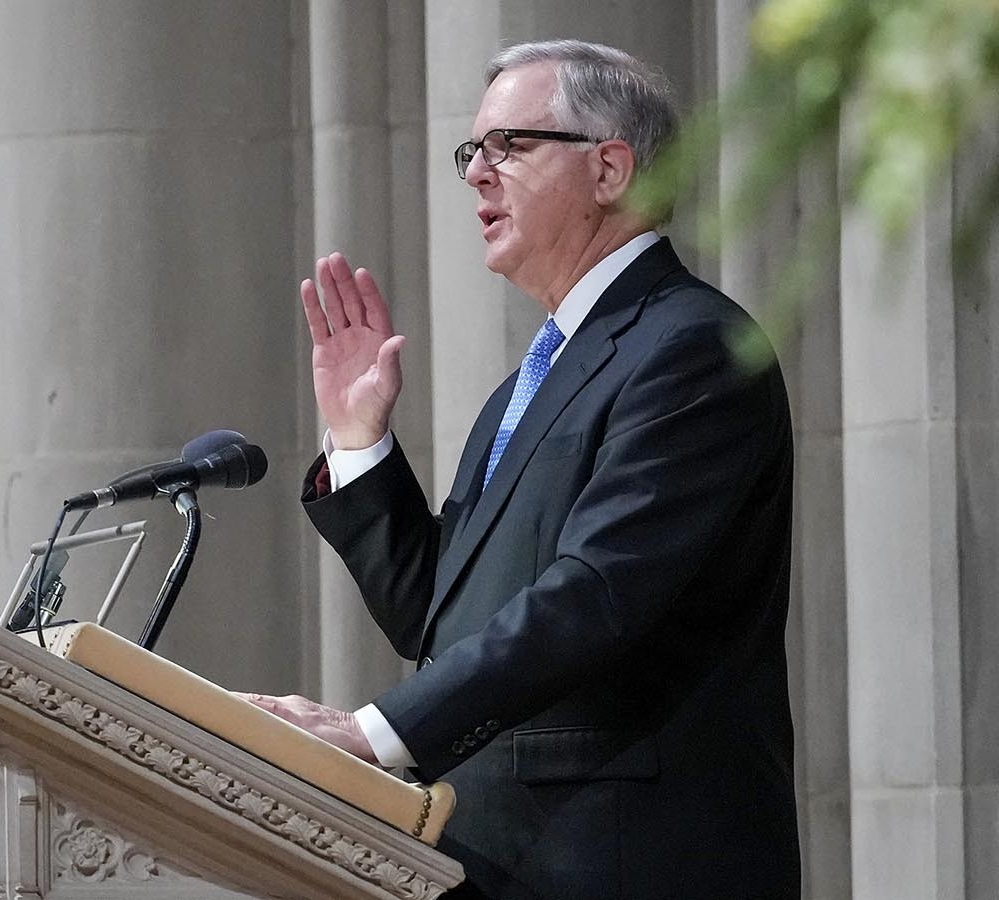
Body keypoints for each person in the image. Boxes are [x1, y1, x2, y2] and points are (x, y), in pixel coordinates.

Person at [242, 40, 801, 899]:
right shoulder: (528, 385)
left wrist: (370, 733)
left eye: (510, 146)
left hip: (626, 864)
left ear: (610, 168)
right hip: (494, 863)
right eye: (472, 152)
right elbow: (445, 620)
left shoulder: (693, 347)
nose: (476, 175)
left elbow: (598, 594)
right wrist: (359, 445)